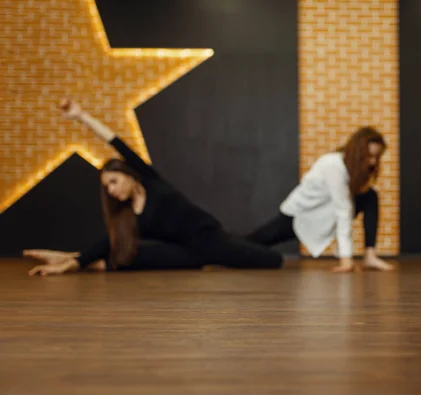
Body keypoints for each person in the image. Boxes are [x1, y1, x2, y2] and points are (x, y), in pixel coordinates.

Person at [26, 99, 284, 276]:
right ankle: (74, 258)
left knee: (273, 261)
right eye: (107, 188)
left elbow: (116, 141)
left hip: (211, 239)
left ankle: (75, 257)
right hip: (188, 253)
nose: (111, 191)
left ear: (127, 174)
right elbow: (110, 242)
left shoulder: (150, 180)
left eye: (113, 182)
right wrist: (71, 265)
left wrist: (81, 116)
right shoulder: (129, 215)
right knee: (136, 254)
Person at [246, 127, 393, 273]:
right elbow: (343, 210)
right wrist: (346, 259)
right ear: (357, 152)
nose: (372, 162)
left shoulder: (352, 169)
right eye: (369, 156)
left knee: (370, 196)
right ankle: (225, 248)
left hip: (321, 214)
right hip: (297, 215)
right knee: (251, 243)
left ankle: (370, 255)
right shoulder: (333, 165)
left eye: (376, 157)